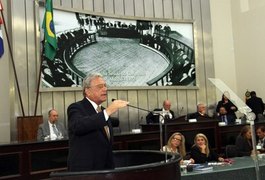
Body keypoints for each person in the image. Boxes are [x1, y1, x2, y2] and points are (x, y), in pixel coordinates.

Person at [67, 73, 129, 171]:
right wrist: (108, 111)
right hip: (86, 170)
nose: (105, 89)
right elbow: (78, 126)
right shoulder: (76, 107)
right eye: (100, 86)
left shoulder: (103, 111)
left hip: (106, 169)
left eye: (105, 86)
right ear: (87, 91)